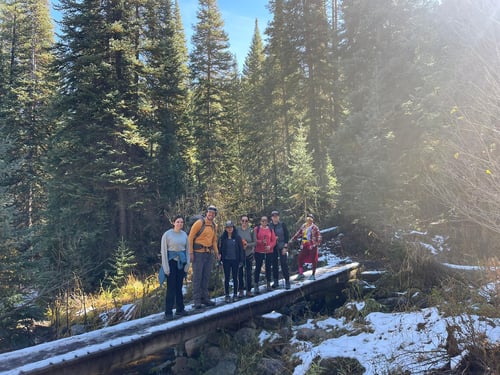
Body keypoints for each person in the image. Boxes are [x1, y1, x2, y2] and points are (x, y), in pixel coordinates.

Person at [188, 205, 221, 308]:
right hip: (198, 253)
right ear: (207, 213)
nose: (211, 214)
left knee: (206, 277)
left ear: (215, 215)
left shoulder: (214, 226)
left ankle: (205, 298)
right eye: (209, 212)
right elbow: (190, 237)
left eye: (213, 213)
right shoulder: (199, 223)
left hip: (208, 253)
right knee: (197, 277)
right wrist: (191, 253)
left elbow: (214, 241)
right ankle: (197, 301)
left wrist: (217, 253)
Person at [160, 215, 190, 320]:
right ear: (173, 223)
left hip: (181, 263)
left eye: (181, 222)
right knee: (171, 287)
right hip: (171, 262)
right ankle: (168, 312)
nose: (179, 224)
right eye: (177, 222)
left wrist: (187, 265)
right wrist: (166, 268)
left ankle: (180, 309)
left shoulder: (184, 235)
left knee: (179, 286)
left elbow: (187, 251)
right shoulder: (167, 235)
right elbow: (164, 252)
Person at [218, 220, 245, 302]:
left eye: (231, 227)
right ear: (225, 229)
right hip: (226, 260)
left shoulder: (237, 237)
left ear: (233, 228)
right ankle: (227, 295)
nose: (229, 229)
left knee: (235, 277)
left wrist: (241, 260)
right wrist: (220, 258)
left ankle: (235, 294)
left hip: (235, 260)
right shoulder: (223, 238)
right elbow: (220, 249)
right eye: (228, 227)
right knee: (226, 278)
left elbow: (241, 250)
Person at [290, 213, 322, 281]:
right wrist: (292, 239)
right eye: (308, 218)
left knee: (314, 260)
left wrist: (316, 244)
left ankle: (313, 275)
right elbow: (298, 233)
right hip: (304, 244)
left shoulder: (315, 227)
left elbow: (319, 236)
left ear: (312, 220)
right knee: (300, 258)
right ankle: (301, 274)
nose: (309, 220)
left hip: (312, 245)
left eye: (310, 219)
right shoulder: (304, 226)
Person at [253, 216, 277, 293]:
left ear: (267, 221)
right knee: (258, 268)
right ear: (260, 221)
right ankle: (256, 285)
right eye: (263, 221)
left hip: (268, 251)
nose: (264, 222)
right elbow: (254, 240)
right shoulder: (257, 229)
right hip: (259, 251)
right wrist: (261, 242)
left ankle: (268, 284)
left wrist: (270, 246)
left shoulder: (270, 229)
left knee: (268, 268)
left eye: (265, 221)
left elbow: (274, 241)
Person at [269, 210, 291, 289]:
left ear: (278, 217)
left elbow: (287, 236)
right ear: (272, 217)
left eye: (276, 216)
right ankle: (276, 281)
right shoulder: (269, 226)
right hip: (273, 247)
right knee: (274, 264)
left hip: (282, 246)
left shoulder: (282, 225)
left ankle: (287, 281)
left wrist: (285, 247)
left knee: (283, 263)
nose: (275, 218)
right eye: (274, 217)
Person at [236, 215, 256, 297]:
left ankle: (248, 290)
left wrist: (248, 245)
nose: (244, 222)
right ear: (240, 221)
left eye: (246, 221)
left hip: (248, 254)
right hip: (239, 255)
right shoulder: (237, 230)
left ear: (248, 222)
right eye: (243, 221)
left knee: (248, 273)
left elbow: (255, 242)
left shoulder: (251, 231)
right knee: (239, 273)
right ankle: (240, 290)